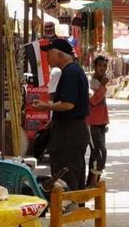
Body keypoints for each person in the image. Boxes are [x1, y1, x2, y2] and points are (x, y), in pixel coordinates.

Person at [33, 38, 90, 191]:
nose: (47, 58)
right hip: (69, 130)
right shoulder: (70, 71)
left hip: (70, 132)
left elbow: (68, 104)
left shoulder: (71, 72)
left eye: (49, 54)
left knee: (67, 175)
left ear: (59, 54)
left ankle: (69, 210)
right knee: (69, 173)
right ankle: (72, 210)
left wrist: (45, 106)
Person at [86, 56, 110, 188]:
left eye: (105, 66)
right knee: (100, 152)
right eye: (100, 65)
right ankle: (93, 182)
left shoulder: (100, 82)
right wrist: (103, 87)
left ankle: (93, 181)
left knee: (97, 153)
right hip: (92, 123)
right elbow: (93, 100)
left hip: (100, 123)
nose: (102, 68)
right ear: (95, 66)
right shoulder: (92, 82)